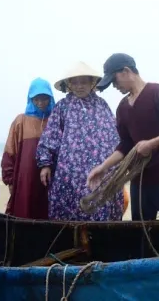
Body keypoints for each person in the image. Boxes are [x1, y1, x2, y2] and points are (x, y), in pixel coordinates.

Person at [87, 53, 159, 221]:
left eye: (114, 81)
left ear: (126, 71)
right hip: (139, 184)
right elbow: (125, 145)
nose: (114, 86)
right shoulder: (122, 108)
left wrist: (153, 143)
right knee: (142, 237)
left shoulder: (157, 92)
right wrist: (102, 167)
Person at [36, 62, 124, 221]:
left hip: (101, 172)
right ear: (69, 85)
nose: (79, 86)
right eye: (74, 82)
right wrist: (45, 164)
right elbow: (50, 137)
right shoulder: (62, 107)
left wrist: (117, 166)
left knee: (101, 210)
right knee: (70, 216)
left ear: (92, 83)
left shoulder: (102, 105)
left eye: (83, 82)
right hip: (69, 174)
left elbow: (115, 138)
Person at [1, 77, 55, 219]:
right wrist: (9, 180)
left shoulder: (55, 120)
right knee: (24, 213)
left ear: (51, 98)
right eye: (36, 99)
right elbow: (9, 152)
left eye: (44, 98)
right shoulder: (21, 121)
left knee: (49, 214)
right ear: (30, 99)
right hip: (25, 180)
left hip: (51, 178)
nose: (41, 103)